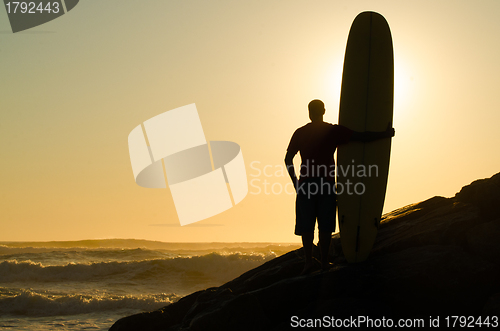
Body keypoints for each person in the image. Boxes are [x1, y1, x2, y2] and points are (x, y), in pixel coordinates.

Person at [284, 99, 394, 274]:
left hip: (305, 184)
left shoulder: (300, 132)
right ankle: (324, 262)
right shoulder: (333, 131)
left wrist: (295, 182)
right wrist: (384, 134)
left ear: (309, 113)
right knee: (325, 225)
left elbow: (288, 159)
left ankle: (307, 263)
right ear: (324, 111)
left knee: (307, 225)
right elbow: (362, 137)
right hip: (326, 184)